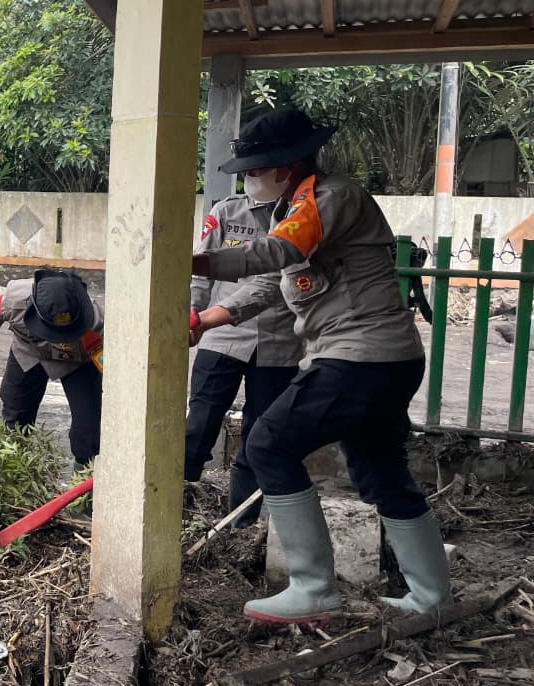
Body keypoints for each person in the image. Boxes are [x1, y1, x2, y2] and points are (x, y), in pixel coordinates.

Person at [190, 108, 450, 625]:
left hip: (359, 356)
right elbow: (272, 283)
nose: (249, 180)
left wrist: (192, 260)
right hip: (382, 359)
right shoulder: (296, 206)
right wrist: (205, 320)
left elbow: (276, 252)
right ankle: (431, 598)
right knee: (379, 470)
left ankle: (313, 587)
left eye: (253, 170)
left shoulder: (332, 197)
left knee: (267, 443)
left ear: (283, 167)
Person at [187, 193, 303, 525]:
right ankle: (177, 510)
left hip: (279, 342)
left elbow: (274, 283)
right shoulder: (227, 209)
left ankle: (240, 525)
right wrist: (191, 318)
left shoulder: (300, 214)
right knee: (199, 424)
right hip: (222, 334)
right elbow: (200, 272)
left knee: (260, 435)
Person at [0, 270, 104, 467]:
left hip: (76, 361)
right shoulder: (13, 300)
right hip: (28, 353)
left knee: (89, 428)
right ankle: (15, 469)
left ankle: (84, 483)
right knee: (16, 414)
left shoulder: (95, 322)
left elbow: (108, 361)